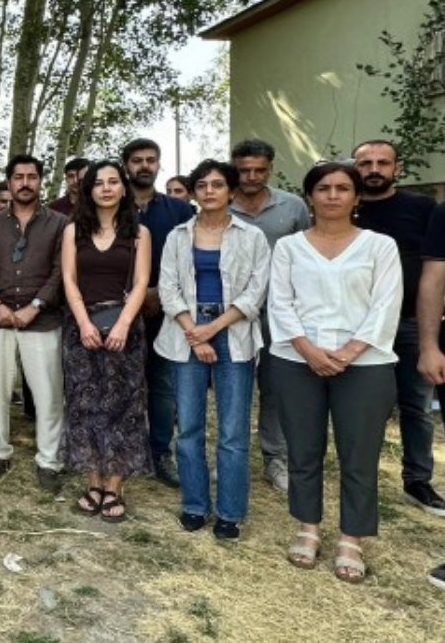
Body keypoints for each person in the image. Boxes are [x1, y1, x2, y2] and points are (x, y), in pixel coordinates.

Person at [270, 161, 400, 583]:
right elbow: (280, 302)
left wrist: (348, 351)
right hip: (297, 359)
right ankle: (307, 527)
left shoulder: (379, 246)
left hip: (365, 362)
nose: (332, 195)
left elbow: (386, 304)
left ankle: (351, 537)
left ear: (356, 197)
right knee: (303, 449)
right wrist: (308, 349)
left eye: (342, 188)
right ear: (309, 196)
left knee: (359, 454)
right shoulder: (289, 247)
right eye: (323, 188)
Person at [154, 160, 270, 541]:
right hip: (185, 333)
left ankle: (230, 512)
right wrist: (195, 332)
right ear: (192, 192)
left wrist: (213, 329)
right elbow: (168, 288)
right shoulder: (177, 236)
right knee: (188, 427)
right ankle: (194, 505)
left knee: (233, 430)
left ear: (231, 191)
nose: (209, 191)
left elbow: (256, 291)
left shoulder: (252, 237)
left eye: (217, 185)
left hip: (232, 333)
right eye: (201, 185)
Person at [351, 139, 444, 516]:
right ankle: (359, 478)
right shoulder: (344, 209)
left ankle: (417, 480)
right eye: (365, 163)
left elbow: (435, 270)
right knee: (360, 407)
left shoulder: (422, 209)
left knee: (416, 406)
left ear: (397, 169)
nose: (374, 169)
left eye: (383, 163)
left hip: (409, 323)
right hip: (357, 327)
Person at [60, 159, 152, 523]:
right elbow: (69, 280)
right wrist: (84, 323)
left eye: (114, 181)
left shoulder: (139, 233)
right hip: (81, 326)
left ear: (124, 188)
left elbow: (142, 282)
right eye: (99, 183)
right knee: (85, 404)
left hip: (125, 327)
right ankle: (93, 481)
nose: (107, 188)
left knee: (124, 406)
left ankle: (115, 484)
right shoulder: (73, 231)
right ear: (89, 190)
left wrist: (123, 325)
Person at [0, 155, 67, 488]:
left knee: (48, 393)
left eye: (32, 177)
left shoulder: (60, 223)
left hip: (42, 320)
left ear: (41, 181)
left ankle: (49, 460)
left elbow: (61, 271)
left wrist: (35, 306)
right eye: (19, 177)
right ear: (9, 182)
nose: (25, 183)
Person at [228, 138, 311, 493]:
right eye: (244, 170)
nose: (251, 177)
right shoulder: (220, 204)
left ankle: (275, 459)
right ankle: (230, 457)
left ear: (270, 169)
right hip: (233, 312)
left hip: (280, 312)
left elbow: (307, 255)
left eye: (259, 170)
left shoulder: (292, 206)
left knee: (276, 388)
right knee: (234, 387)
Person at [122, 138, 193, 488]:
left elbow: (189, 261)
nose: (144, 166)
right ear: (126, 166)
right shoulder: (110, 205)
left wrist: (159, 294)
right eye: (137, 160)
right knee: (120, 384)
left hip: (166, 310)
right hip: (117, 312)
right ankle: (121, 452)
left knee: (162, 385)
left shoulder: (180, 211)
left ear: (159, 164)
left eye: (151, 159)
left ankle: (160, 453)